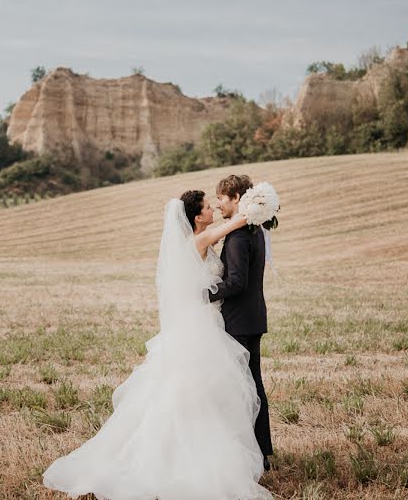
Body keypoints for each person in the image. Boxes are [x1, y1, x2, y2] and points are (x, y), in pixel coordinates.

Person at [43, 191, 272, 500]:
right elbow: (239, 221)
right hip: (202, 328)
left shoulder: (201, 241)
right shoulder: (199, 241)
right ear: (196, 217)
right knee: (197, 390)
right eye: (208, 206)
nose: (214, 208)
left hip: (204, 322)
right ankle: (188, 455)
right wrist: (258, 203)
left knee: (199, 391)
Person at [209, 175, 274, 471]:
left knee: (242, 390)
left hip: (237, 322)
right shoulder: (255, 229)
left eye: (222, 198)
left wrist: (203, 293)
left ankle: (249, 456)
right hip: (254, 317)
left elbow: (236, 282)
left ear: (236, 198)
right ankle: (261, 452)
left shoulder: (237, 237)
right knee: (253, 386)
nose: (219, 203)